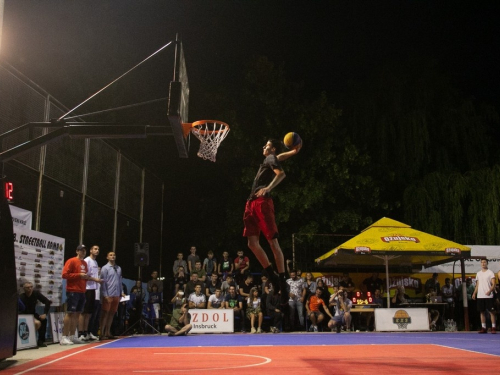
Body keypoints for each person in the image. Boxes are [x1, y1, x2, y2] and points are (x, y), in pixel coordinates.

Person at [243, 139, 300, 303]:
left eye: (266, 145)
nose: (263, 146)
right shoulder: (269, 160)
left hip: (262, 203)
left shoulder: (270, 159)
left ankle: (281, 280)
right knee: (252, 244)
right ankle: (273, 277)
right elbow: (279, 157)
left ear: (272, 149)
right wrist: (293, 152)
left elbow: (281, 173)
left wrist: (268, 188)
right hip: (251, 203)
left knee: (272, 243)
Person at [61, 244, 99, 345]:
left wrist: (88, 278)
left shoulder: (84, 263)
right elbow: (64, 274)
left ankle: (72, 336)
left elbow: (84, 277)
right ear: (77, 251)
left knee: (77, 314)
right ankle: (64, 337)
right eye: (81, 250)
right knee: (70, 313)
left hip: (82, 291)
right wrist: (79, 275)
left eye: (84, 250)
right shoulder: (71, 261)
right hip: (73, 290)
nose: (83, 252)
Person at [78, 245, 101, 342]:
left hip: (93, 289)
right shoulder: (87, 260)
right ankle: (80, 333)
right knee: (83, 312)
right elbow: (84, 275)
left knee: (89, 313)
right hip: (86, 288)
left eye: (98, 249)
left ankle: (86, 332)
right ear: (91, 250)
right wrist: (95, 279)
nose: (97, 250)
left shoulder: (95, 262)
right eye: (95, 249)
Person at [19, 281, 52, 347]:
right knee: (37, 323)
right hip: (23, 315)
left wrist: (45, 313)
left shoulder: (36, 294)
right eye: (27, 288)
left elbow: (47, 302)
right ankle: (31, 340)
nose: (30, 289)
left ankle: (40, 341)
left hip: (32, 314)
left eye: (31, 287)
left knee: (43, 320)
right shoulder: (21, 297)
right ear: (24, 289)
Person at [99, 251, 123, 340]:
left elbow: (120, 281)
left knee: (112, 313)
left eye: (114, 255)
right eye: (110, 255)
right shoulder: (105, 268)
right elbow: (103, 282)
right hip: (108, 294)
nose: (113, 256)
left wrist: (121, 292)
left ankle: (108, 332)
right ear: (107, 257)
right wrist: (105, 295)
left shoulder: (118, 268)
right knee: (105, 313)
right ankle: (101, 333)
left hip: (116, 294)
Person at [472, 259, 496, 334]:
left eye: (484, 262)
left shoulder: (490, 273)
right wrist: (474, 293)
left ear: (487, 263)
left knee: (491, 312)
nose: (483, 264)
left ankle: (493, 327)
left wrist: (489, 291)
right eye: (482, 262)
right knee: (481, 312)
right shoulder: (478, 273)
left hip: (488, 295)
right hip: (480, 295)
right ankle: (483, 327)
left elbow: (493, 284)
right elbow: (477, 284)